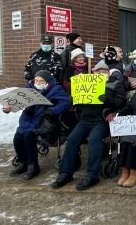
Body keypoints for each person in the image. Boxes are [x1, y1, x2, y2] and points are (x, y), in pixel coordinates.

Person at [51, 60, 125, 190]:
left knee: (94, 140)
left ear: (108, 73)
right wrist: (74, 99)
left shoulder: (115, 83)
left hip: (102, 120)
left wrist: (109, 101)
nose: (100, 73)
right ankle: (65, 173)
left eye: (104, 71)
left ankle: (92, 175)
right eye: (98, 71)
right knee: (72, 140)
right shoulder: (86, 82)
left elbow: (121, 102)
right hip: (85, 119)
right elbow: (76, 102)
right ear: (93, 72)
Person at [3, 70, 70, 180]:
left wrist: (52, 110)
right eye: (36, 80)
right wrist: (8, 108)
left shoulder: (55, 89)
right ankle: (22, 162)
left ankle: (32, 165)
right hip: (27, 118)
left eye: (41, 81)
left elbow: (65, 102)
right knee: (17, 137)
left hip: (43, 120)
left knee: (28, 136)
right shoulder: (29, 88)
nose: (38, 83)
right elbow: (15, 102)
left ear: (48, 82)